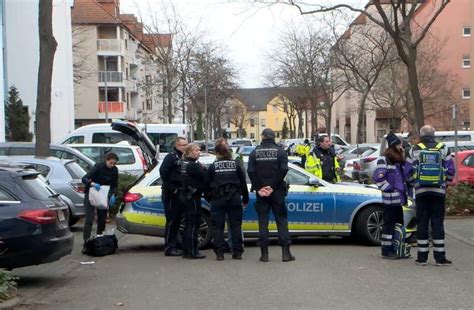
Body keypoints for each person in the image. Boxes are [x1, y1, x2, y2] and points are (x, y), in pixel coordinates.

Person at [408, 125, 455, 266]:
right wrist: (444, 183)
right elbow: (451, 170)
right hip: (438, 192)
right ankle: (440, 258)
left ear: (421, 135)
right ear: (433, 135)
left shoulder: (415, 149)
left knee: (422, 222)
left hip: (421, 191)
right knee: (437, 222)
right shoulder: (443, 148)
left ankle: (422, 258)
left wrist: (414, 184)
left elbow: (407, 171)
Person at [247, 128, 295, 262]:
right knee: (281, 221)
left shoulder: (254, 152)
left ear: (262, 137)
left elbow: (250, 171)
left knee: (263, 221)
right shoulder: (280, 152)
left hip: (261, 192)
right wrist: (272, 187)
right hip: (277, 191)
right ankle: (286, 254)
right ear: (273, 138)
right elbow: (284, 169)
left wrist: (260, 187)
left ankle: (264, 254)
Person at [207, 143, 249, 260]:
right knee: (235, 226)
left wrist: (209, 198)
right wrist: (245, 198)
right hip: (234, 198)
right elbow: (243, 183)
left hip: (218, 199)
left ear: (217, 153)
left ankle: (220, 253)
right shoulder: (236, 165)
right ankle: (237, 252)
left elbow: (207, 185)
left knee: (218, 227)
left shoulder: (213, 166)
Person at [373, 134, 411, 259]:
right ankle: (386, 250)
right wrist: (391, 190)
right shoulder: (384, 159)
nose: (401, 146)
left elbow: (405, 176)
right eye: (399, 144)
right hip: (390, 200)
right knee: (388, 225)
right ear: (394, 145)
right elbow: (378, 179)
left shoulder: (398, 160)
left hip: (398, 200)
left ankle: (397, 248)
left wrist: (405, 158)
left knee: (398, 225)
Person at [81, 152, 119, 252]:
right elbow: (84, 178)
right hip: (91, 194)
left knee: (102, 219)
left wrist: (113, 195)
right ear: (106, 160)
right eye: (111, 163)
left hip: (103, 195)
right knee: (89, 219)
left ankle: (99, 239)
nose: (112, 165)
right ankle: (86, 241)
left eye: (114, 163)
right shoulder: (98, 167)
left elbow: (114, 184)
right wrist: (93, 184)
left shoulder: (114, 170)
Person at [159, 137, 188, 257]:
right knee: (172, 221)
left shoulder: (182, 157)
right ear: (176, 145)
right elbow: (163, 171)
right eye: (182, 145)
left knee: (177, 221)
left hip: (180, 193)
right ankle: (169, 247)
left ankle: (175, 245)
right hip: (171, 194)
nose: (185, 147)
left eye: (186, 144)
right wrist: (172, 188)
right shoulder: (171, 157)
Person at [179, 143, 207, 259]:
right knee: (194, 225)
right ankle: (193, 251)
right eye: (196, 150)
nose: (199, 152)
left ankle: (186, 250)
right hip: (193, 196)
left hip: (185, 196)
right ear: (190, 152)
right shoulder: (194, 165)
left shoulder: (183, 164)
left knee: (187, 225)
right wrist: (204, 168)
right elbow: (205, 178)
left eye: (199, 150)